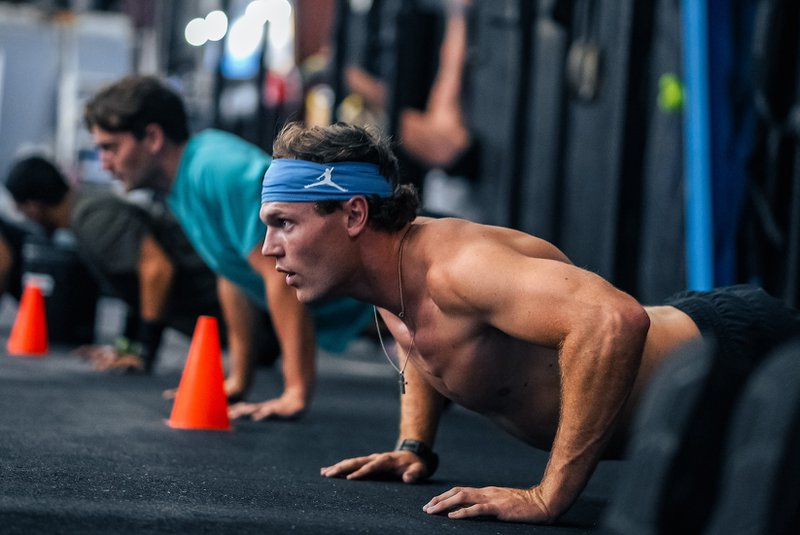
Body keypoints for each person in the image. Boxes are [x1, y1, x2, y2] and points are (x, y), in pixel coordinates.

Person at [258, 121, 800, 524]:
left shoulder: (458, 268)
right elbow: (417, 334)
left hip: (740, 356)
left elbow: (614, 320)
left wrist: (548, 497)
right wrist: (415, 445)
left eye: (284, 224)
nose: (268, 248)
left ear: (354, 215)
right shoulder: (385, 270)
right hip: (693, 406)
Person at [82, 75, 371, 419]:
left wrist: (295, 392)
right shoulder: (181, 186)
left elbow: (277, 274)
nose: (104, 163)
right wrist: (238, 379)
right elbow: (233, 275)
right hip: (367, 312)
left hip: (389, 297)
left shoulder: (213, 169)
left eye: (111, 147)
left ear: (153, 138)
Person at [4, 155, 253, 374]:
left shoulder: (91, 218)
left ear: (32, 207)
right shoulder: (86, 213)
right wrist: (125, 347)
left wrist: (144, 352)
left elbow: (156, 270)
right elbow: (136, 281)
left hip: (249, 325)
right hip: (235, 329)